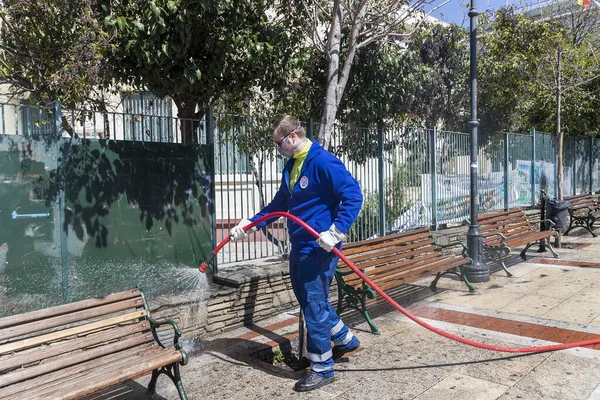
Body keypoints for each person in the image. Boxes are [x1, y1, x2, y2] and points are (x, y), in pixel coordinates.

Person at [229, 115, 363, 392]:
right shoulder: (291, 166)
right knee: (308, 301)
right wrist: (248, 225)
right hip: (299, 245)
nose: (277, 149)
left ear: (291, 137)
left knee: (314, 305)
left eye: (278, 143)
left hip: (320, 246)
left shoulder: (323, 162)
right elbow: (279, 204)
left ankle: (323, 369)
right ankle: (346, 339)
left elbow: (353, 195)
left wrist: (336, 231)